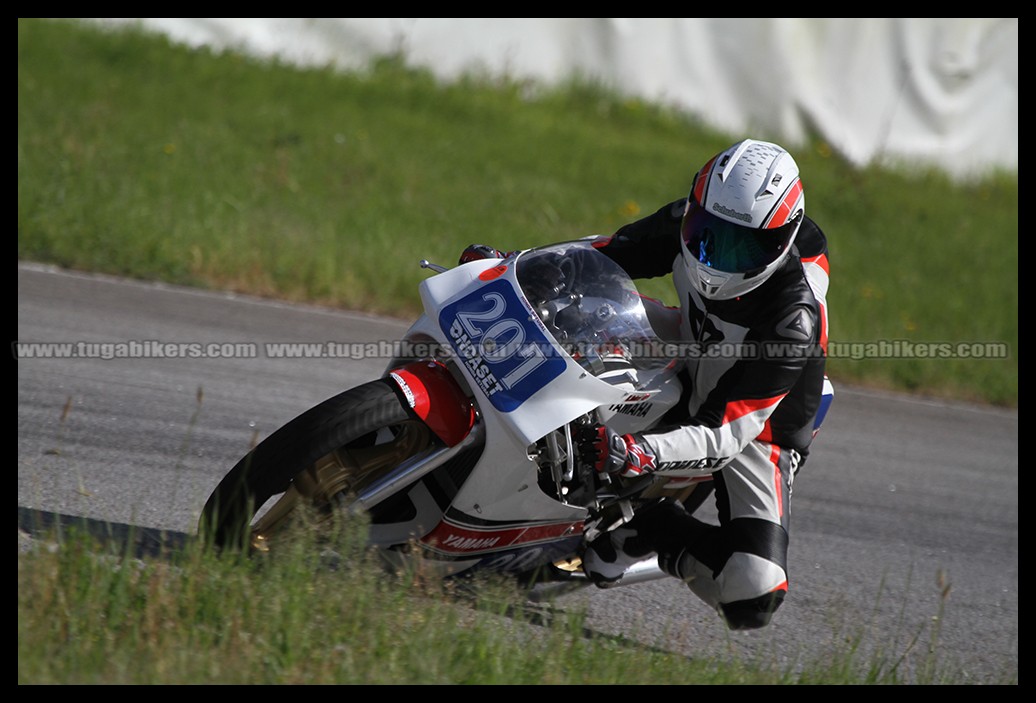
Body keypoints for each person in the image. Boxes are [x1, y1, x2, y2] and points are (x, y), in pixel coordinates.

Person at [459, 138, 831, 630]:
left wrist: (638, 453)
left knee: (753, 591)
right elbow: (606, 255)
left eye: (740, 245)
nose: (714, 254)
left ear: (780, 242)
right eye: (706, 232)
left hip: (754, 428)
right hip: (689, 340)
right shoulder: (684, 223)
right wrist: (518, 266)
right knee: (569, 311)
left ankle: (653, 526)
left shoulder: (792, 322)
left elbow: (723, 436)